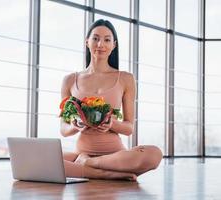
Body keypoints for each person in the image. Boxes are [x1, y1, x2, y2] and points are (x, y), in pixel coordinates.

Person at [60, 19, 163, 181]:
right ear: (87, 41)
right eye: (95, 38)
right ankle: (104, 173)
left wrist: (112, 124)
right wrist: (74, 124)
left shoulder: (125, 79)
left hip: (116, 155)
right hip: (80, 153)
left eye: (107, 39)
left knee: (155, 154)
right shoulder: (70, 80)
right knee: (37, 160)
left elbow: (129, 128)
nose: (100, 44)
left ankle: (89, 165)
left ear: (114, 45)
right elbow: (63, 129)